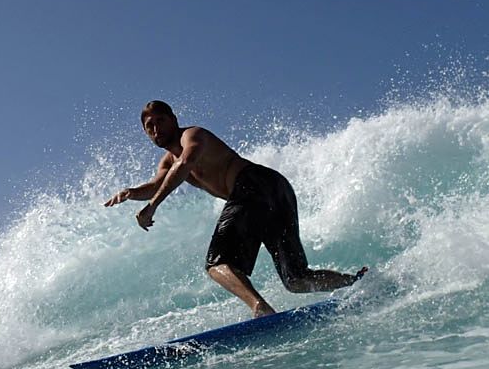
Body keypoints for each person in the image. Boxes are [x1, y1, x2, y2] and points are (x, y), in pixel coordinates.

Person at [105, 100, 366, 318]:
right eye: (149, 126)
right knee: (296, 279)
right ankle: (357, 282)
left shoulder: (192, 135)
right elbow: (156, 184)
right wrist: (131, 193)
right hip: (276, 191)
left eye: (160, 121)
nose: (155, 128)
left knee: (217, 265)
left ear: (173, 119)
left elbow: (185, 163)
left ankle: (260, 308)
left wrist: (152, 207)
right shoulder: (167, 161)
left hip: (255, 184)